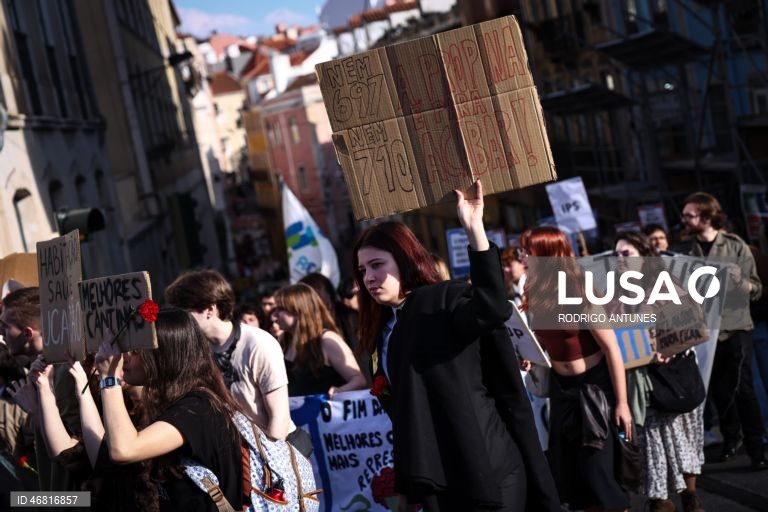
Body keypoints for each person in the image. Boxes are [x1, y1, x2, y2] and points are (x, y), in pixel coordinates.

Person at [354, 181, 559, 511]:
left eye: (377, 265)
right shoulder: (386, 327)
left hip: (489, 470)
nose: (368, 278)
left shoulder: (441, 300)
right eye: (363, 270)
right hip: (444, 480)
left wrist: (474, 230)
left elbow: (491, 308)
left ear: (405, 261)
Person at [522, 226, 632, 512]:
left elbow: (611, 349)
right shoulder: (534, 291)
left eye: (528, 251)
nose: (523, 256)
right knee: (575, 479)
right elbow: (546, 342)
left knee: (599, 474)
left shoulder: (579, 289)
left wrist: (621, 404)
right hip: (562, 391)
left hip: (595, 389)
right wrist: (530, 357)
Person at [95, 308, 245, 511]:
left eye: (137, 351)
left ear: (164, 355)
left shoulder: (196, 409)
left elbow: (124, 450)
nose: (126, 357)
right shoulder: (179, 404)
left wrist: (109, 379)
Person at [614, 231, 705, 512]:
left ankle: (690, 498)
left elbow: (690, 322)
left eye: (625, 254)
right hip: (644, 381)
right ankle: (660, 500)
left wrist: (670, 347)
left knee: (683, 442)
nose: (619, 260)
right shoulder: (617, 292)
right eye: (615, 255)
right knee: (652, 446)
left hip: (674, 378)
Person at [681, 192, 767, 470]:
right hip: (706, 330)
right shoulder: (687, 252)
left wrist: (741, 282)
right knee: (718, 388)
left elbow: (756, 289)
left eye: (690, 215)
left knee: (742, 387)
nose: (684, 220)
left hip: (735, 327)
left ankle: (757, 448)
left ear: (706, 217)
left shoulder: (735, 246)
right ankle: (732, 439)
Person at [164, 270, 293, 441]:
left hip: (271, 452)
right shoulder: (194, 351)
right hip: (235, 457)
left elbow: (279, 419)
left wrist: (267, 464)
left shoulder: (258, 343)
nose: (179, 320)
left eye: (185, 312)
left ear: (210, 310)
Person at [0, 287, 82, 491]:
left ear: (27, 333)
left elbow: (74, 449)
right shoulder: (38, 371)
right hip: (53, 498)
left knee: (15, 501)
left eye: (4, 326)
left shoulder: (66, 373)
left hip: (75, 499)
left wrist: (36, 410)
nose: (1, 334)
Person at [273, 283, 366, 398]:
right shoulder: (283, 342)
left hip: (326, 413)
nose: (274, 315)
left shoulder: (327, 341)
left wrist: (340, 390)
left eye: (281, 309)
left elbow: (358, 380)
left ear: (299, 310)